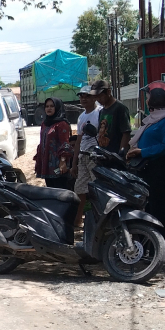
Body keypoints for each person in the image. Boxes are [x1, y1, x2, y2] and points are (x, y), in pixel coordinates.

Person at [125, 81, 165, 243]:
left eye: (149, 96)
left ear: (157, 98)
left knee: (160, 209)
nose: (147, 99)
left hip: (160, 171)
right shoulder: (155, 118)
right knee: (149, 208)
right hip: (148, 170)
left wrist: (142, 151)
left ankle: (163, 248)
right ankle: (149, 246)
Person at [72, 86, 103, 226]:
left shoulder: (100, 112)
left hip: (95, 154)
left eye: (87, 96)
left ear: (94, 97)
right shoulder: (81, 116)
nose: (84, 99)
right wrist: (74, 163)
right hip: (83, 155)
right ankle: (77, 220)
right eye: (81, 96)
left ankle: (101, 220)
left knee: (98, 189)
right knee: (79, 189)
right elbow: (78, 140)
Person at [33, 97, 73, 189]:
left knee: (60, 190)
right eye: (47, 106)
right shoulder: (45, 123)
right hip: (47, 165)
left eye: (52, 106)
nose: (49, 108)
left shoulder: (62, 124)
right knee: (51, 190)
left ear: (57, 107)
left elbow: (65, 144)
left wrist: (63, 162)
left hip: (58, 165)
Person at [93, 79, 131, 153]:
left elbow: (126, 133)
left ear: (108, 92)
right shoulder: (102, 111)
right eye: (96, 97)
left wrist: (121, 153)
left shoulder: (119, 108)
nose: (98, 99)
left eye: (100, 96)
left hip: (115, 155)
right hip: (104, 155)